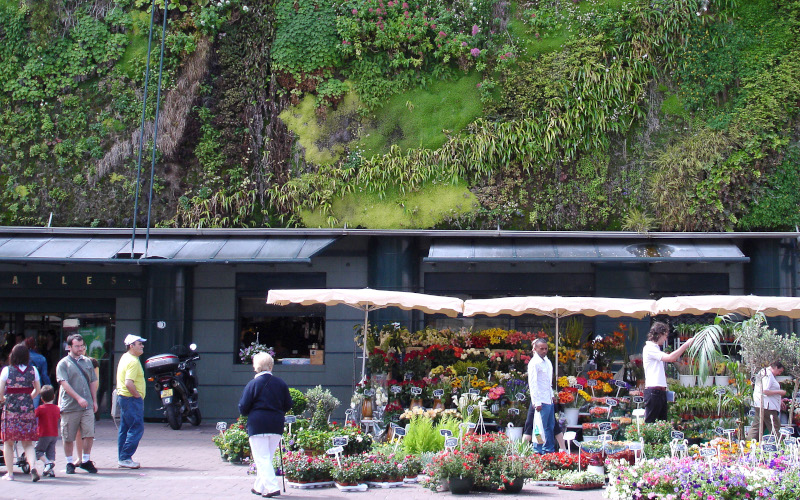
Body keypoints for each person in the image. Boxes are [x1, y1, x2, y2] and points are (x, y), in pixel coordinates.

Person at [239, 352, 292, 498]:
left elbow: (243, 407)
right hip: (276, 424)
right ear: (271, 366)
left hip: (258, 424)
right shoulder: (281, 383)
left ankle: (272, 488)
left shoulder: (253, 384)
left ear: (256, 367)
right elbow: (288, 404)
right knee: (266, 458)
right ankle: (258, 487)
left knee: (261, 458)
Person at [56, 333, 98, 474]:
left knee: (89, 433)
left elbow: (93, 381)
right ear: (69, 347)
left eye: (82, 346)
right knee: (68, 435)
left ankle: (85, 460)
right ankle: (69, 462)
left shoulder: (87, 362)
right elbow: (64, 383)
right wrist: (78, 398)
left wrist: (94, 400)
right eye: (77, 346)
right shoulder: (63, 363)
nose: (80, 349)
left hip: (87, 406)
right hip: (70, 406)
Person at [0, 343, 42, 481]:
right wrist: (29, 397)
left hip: (11, 410)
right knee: (28, 443)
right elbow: (38, 389)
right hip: (27, 410)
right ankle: (33, 467)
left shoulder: (7, 370)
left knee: (8, 442)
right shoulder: (33, 370)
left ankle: (10, 474)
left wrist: (4, 399)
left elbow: (0, 391)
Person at [642, 322, 694, 423]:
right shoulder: (649, 348)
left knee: (662, 423)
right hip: (653, 391)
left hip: (660, 392)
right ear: (659, 334)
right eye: (665, 336)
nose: (666, 339)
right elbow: (670, 358)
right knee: (651, 423)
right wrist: (686, 344)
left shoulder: (655, 349)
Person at [116, 334, 147, 469]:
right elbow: (129, 383)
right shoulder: (133, 361)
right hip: (131, 399)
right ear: (131, 346)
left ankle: (122, 457)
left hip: (124, 398)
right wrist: (137, 396)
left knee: (125, 428)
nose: (142, 346)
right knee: (136, 428)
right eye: (139, 343)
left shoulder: (126, 357)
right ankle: (125, 457)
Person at [527, 338, 556, 454]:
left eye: (546, 348)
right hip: (540, 401)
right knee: (539, 427)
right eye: (541, 349)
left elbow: (548, 382)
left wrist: (552, 395)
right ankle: (537, 450)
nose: (544, 351)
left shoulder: (547, 361)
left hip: (548, 399)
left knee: (549, 426)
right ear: (535, 349)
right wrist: (536, 402)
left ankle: (548, 450)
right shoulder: (534, 363)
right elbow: (533, 384)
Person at [746, 361, 786, 441]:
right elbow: (765, 391)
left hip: (761, 404)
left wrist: (779, 400)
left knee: (757, 426)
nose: (779, 373)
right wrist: (780, 392)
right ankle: (780, 445)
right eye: (779, 371)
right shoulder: (768, 374)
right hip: (767, 406)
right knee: (775, 426)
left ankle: (749, 443)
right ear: (775, 367)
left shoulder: (764, 372)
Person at [34, 384, 60, 478]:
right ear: (53, 396)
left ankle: (47, 463)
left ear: (41, 398)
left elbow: (33, 416)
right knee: (51, 452)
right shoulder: (57, 408)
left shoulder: (41, 409)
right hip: (54, 434)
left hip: (43, 434)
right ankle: (50, 470)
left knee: (37, 451)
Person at [24, 337, 50, 407]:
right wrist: (49, 386)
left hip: (23, 386)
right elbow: (44, 375)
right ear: (35, 346)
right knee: (34, 409)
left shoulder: (22, 357)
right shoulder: (41, 358)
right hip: (36, 386)